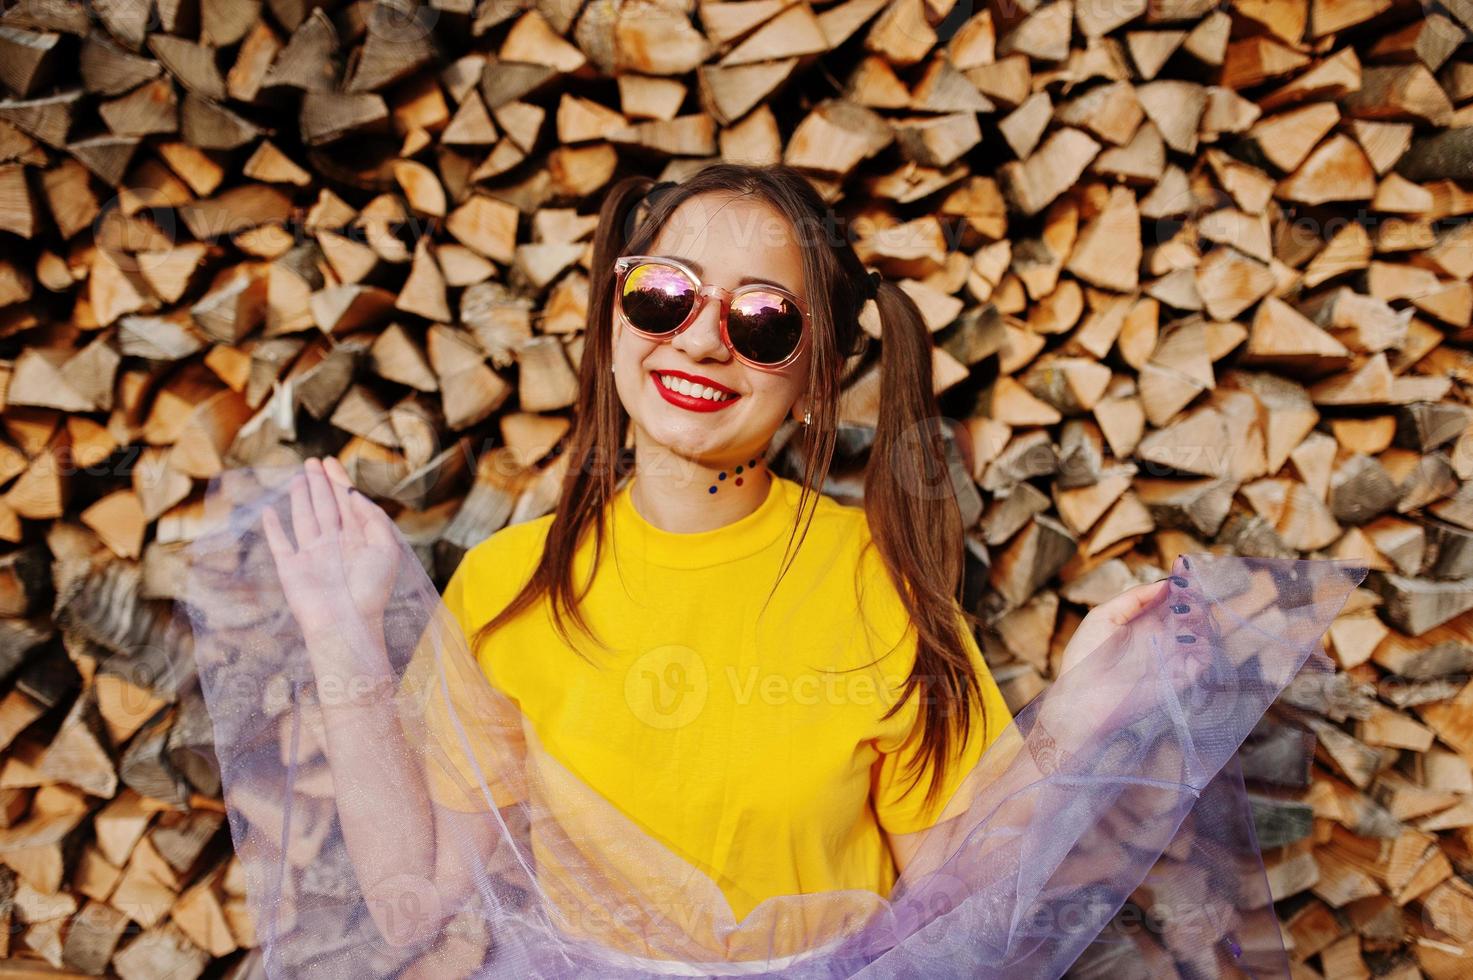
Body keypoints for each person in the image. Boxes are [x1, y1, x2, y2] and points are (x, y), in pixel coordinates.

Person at [243, 163, 1265, 974]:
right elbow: (412, 903)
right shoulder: (509, 584)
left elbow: (962, 906)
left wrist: (1077, 716)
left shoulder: (883, 584)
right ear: (612, 320)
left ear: (816, 380)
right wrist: (341, 633)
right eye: (664, 295)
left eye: (762, 319)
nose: (700, 338)